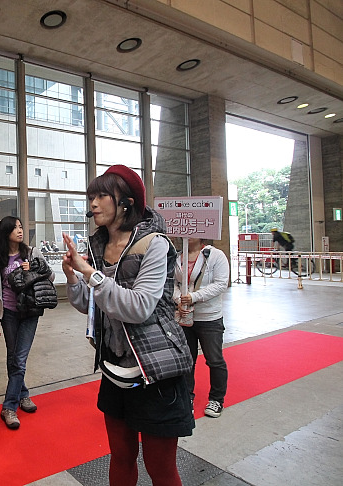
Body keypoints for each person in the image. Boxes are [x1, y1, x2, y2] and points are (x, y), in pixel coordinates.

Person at [62, 164, 194, 486]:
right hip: (114, 367)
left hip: (157, 369)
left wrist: (90, 275)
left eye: (102, 196)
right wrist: (72, 278)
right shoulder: (96, 245)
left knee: (159, 466)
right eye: (91, 197)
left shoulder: (155, 244)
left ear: (127, 201)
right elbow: (91, 306)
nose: (93, 204)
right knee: (120, 457)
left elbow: (140, 307)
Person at [0, 215, 53, 429]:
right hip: (8, 312)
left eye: (20, 226)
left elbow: (50, 276)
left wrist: (32, 270)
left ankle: (9, 406)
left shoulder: (32, 252)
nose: (20, 230)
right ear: (5, 232)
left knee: (19, 358)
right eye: (15, 227)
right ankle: (23, 394)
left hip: (29, 312)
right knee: (13, 357)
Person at [173, 238, 230, 418]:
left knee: (214, 359)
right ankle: (187, 397)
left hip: (209, 317)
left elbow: (221, 284)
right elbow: (172, 284)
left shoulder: (215, 255)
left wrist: (194, 297)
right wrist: (178, 300)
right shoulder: (176, 257)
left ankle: (216, 399)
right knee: (187, 360)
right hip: (184, 317)